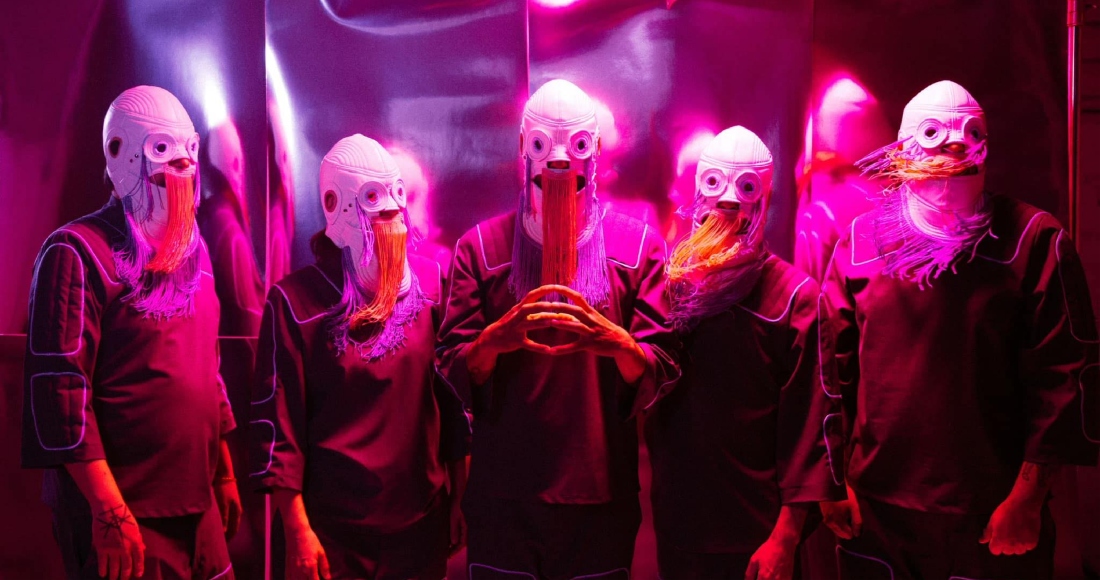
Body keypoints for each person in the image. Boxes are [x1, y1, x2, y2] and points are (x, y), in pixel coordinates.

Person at [819, 80, 1100, 580]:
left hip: (992, 510)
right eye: (934, 135)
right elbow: (828, 374)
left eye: (969, 134)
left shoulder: (1032, 239)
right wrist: (832, 481)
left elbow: (1064, 376)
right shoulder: (861, 242)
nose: (953, 147)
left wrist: (1028, 496)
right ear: (905, 148)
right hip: (878, 511)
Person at [436, 78, 680, 579]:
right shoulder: (481, 249)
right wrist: (492, 343)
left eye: (578, 145)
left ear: (596, 151)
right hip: (503, 498)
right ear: (522, 149)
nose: (559, 163)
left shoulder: (638, 249)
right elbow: (449, 367)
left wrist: (617, 344)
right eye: (542, 145)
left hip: (599, 495)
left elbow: (665, 366)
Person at [21, 85, 240, 580]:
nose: (182, 167)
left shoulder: (195, 253)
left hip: (196, 502)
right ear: (122, 153)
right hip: (126, 508)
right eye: (163, 151)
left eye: (189, 152)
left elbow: (205, 367)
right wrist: (107, 509)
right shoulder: (76, 252)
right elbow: (61, 391)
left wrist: (222, 471)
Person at [250, 134, 470, 579]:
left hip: (419, 524)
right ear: (337, 205)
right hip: (333, 533)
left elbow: (452, 407)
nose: (390, 216)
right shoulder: (296, 302)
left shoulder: (430, 284)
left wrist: (461, 498)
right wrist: (297, 529)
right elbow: (279, 423)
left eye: (395, 200)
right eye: (373, 202)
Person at [645, 126, 843, 579]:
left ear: (764, 200)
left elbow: (810, 422)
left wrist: (786, 536)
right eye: (716, 186)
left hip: (759, 531)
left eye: (745, 189)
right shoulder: (669, 288)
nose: (728, 203)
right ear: (698, 192)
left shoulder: (793, 298)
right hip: (680, 525)